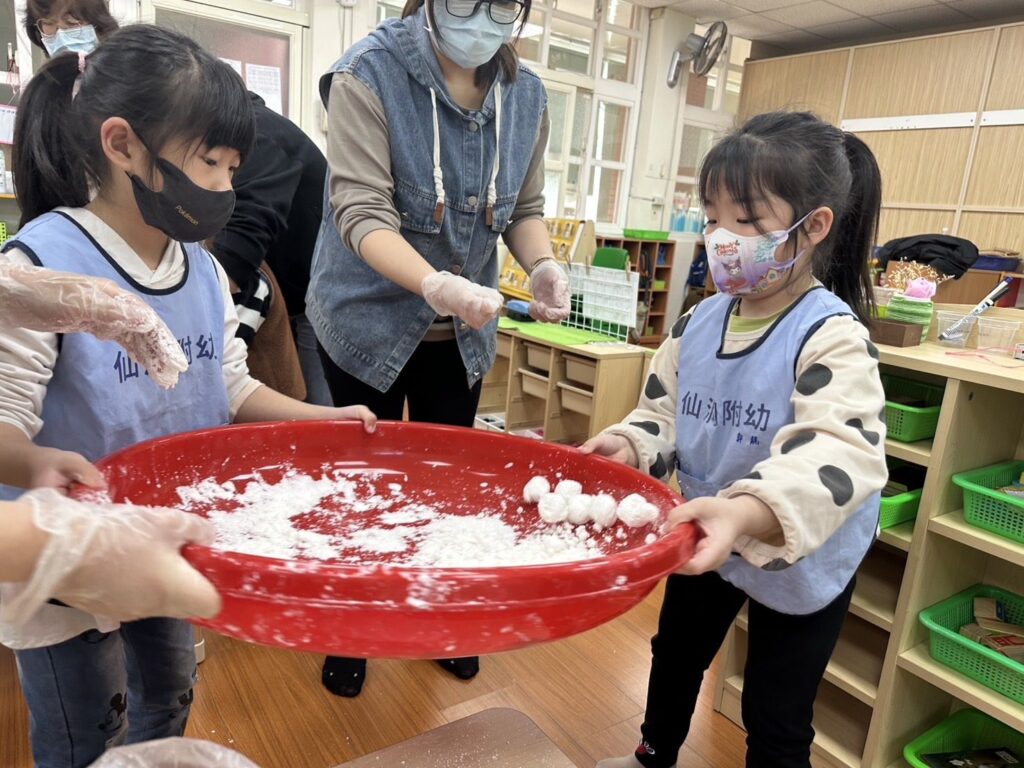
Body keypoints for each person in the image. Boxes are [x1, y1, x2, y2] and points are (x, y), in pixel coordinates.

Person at [0, 26, 374, 768]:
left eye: (235, 167)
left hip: (163, 537)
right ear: (123, 145)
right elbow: (4, 432)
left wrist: (323, 419)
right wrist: (36, 463)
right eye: (211, 161)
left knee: (168, 696)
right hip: (61, 562)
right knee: (84, 734)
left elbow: (227, 385)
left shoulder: (199, 269)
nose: (226, 188)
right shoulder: (42, 266)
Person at [584, 111, 889, 768]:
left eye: (747, 223)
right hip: (708, 530)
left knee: (775, 713)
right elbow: (664, 415)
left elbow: (839, 452)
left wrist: (745, 510)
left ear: (813, 227)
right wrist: (629, 447)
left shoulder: (830, 334)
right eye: (713, 216)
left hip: (799, 551)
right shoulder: (698, 322)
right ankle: (653, 752)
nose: (723, 238)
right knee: (675, 655)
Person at [309, 0, 569, 697]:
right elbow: (361, 212)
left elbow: (524, 209)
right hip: (364, 321)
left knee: (447, 487)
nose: (483, 20)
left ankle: (440, 617)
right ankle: (352, 628)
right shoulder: (367, 74)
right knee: (360, 488)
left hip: (459, 333)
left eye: (504, 6)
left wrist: (542, 263)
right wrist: (431, 282)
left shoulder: (528, 96)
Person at [209, 91, 334, 406]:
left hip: (317, 299)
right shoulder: (243, 132)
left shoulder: (260, 137)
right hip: (293, 288)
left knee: (319, 414)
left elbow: (236, 256)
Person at [24, 0, 117, 56]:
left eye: (71, 22)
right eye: (49, 23)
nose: (61, 35)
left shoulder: (123, 75)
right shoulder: (43, 85)